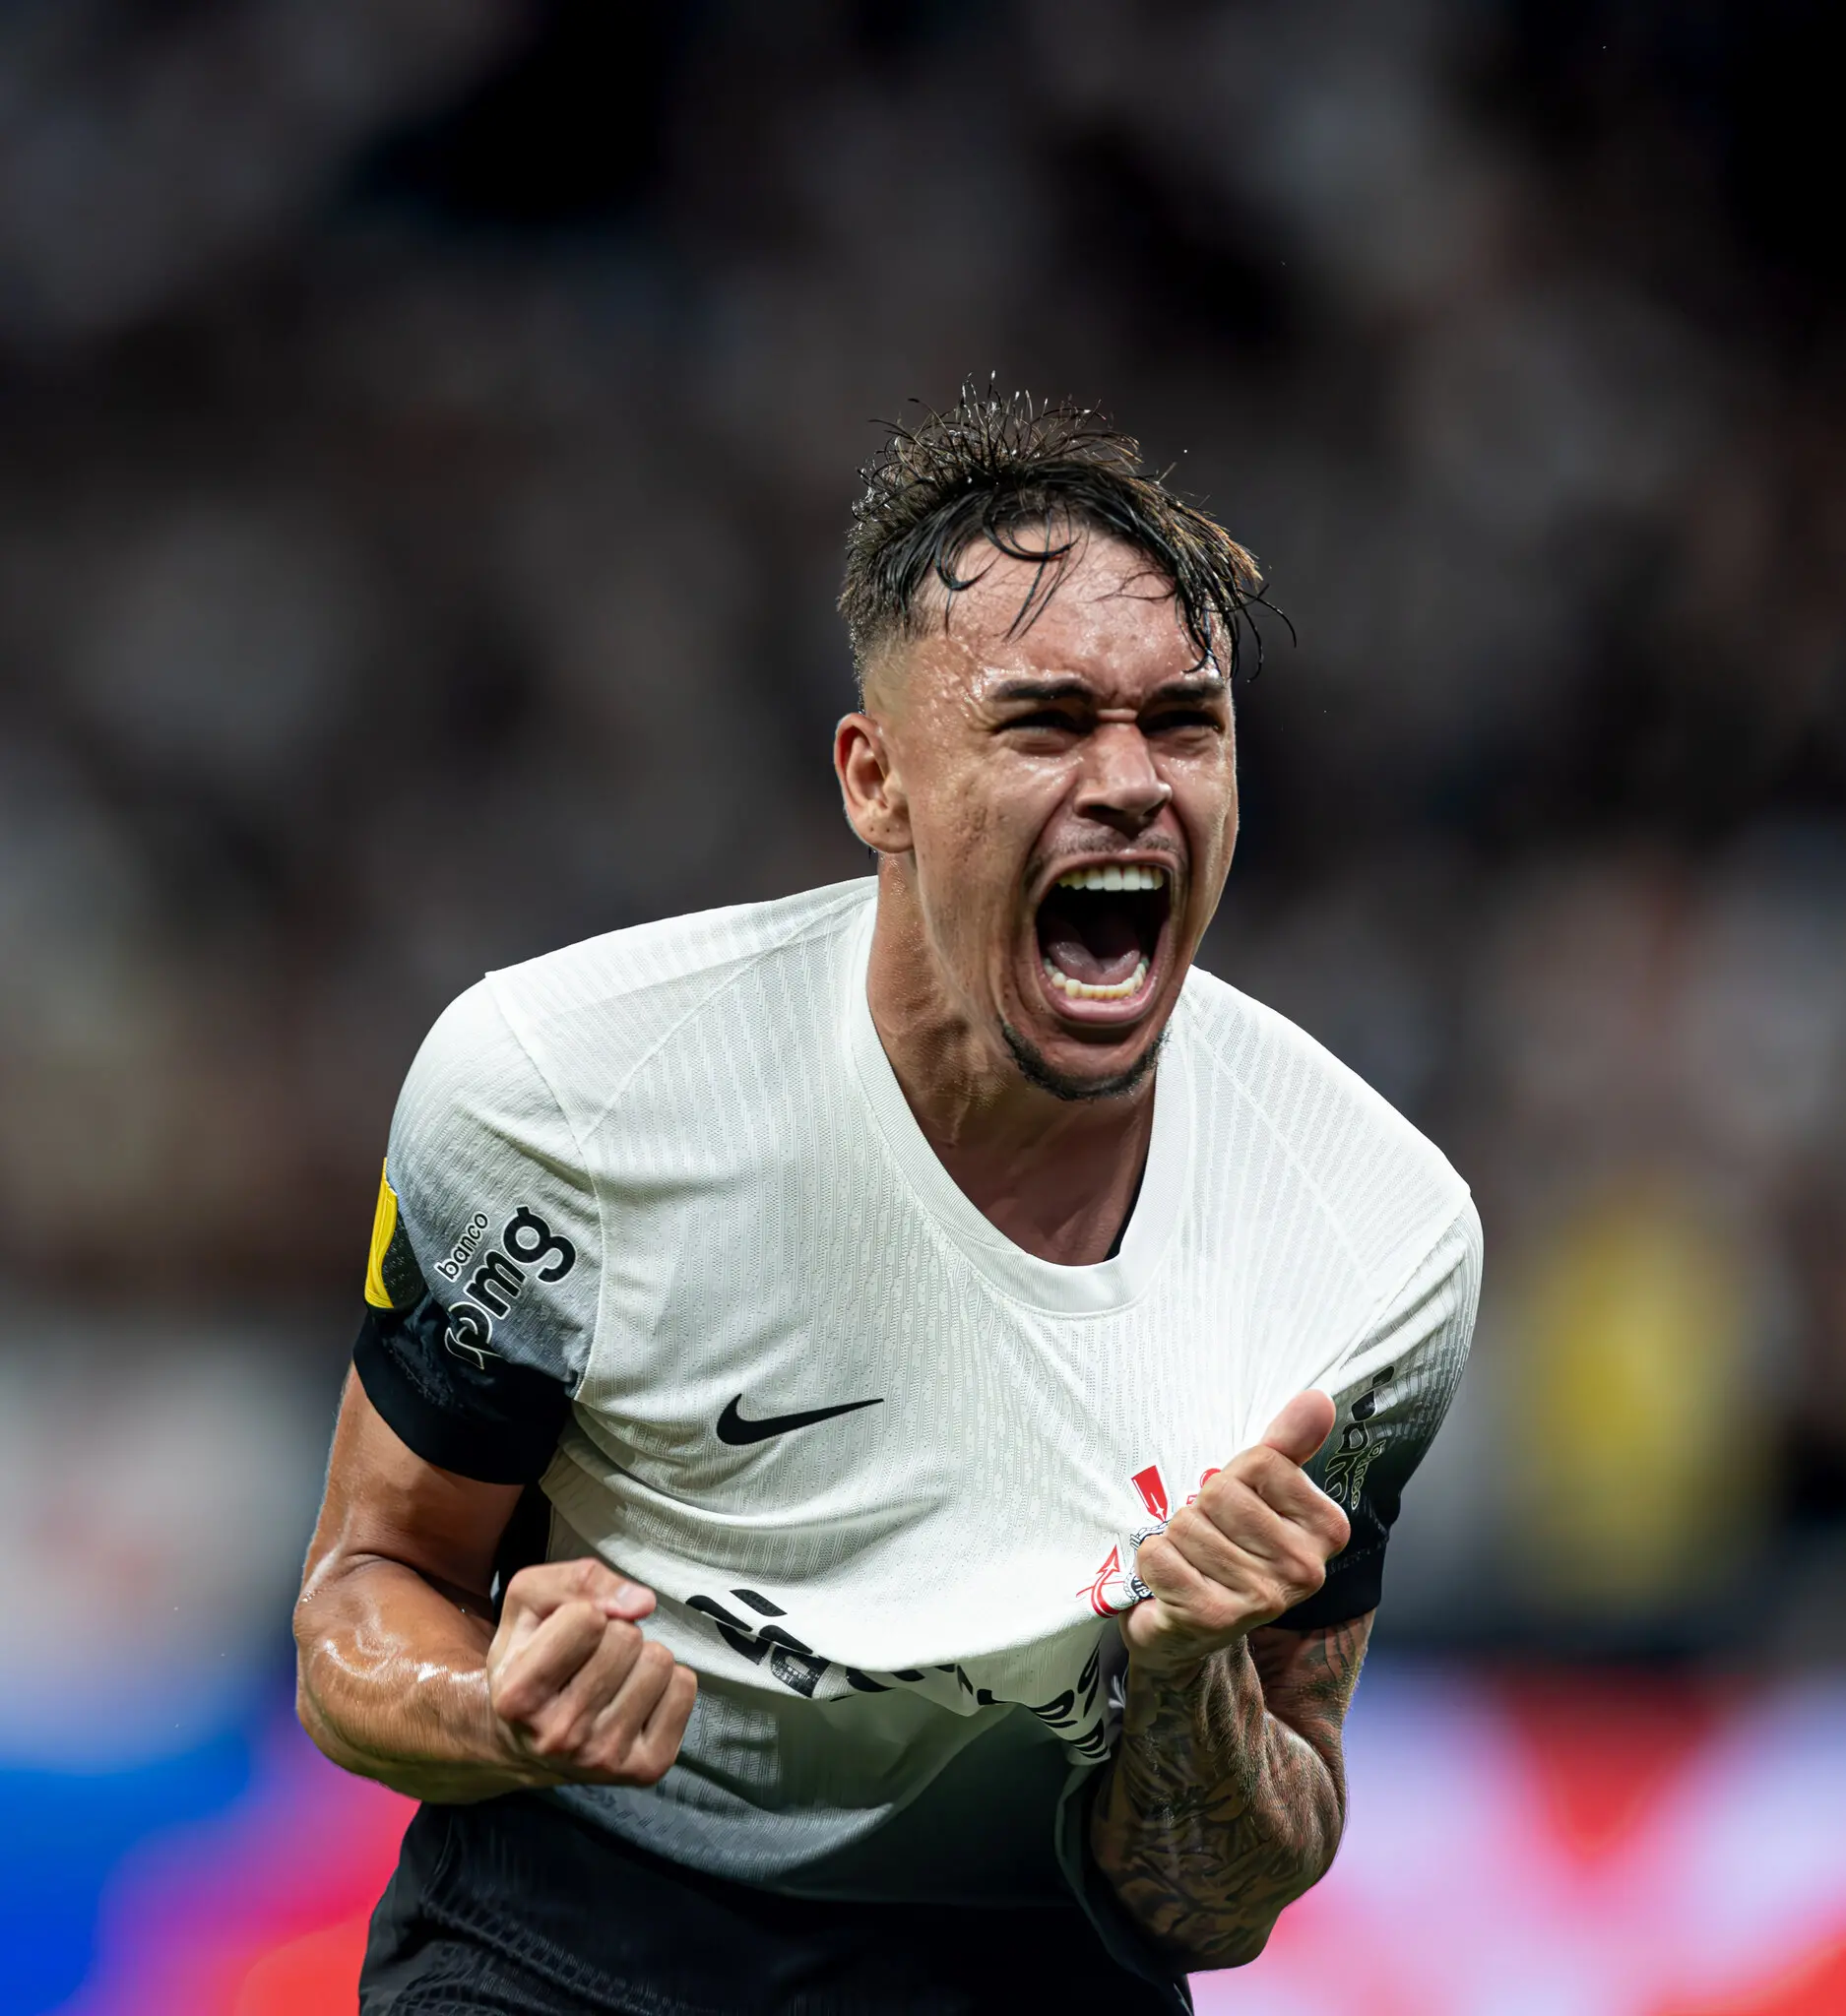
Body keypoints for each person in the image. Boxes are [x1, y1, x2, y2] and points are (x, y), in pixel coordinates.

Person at [295, 389, 1481, 2015]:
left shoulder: (1371, 1243)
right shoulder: (562, 1096)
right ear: (876, 783)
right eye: (1045, 723)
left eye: (1184, 722)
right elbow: (362, 1604)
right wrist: (495, 1700)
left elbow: (1219, 1903)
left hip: (1023, 1958)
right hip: (573, 1928)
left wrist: (1190, 1668)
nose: (1132, 781)